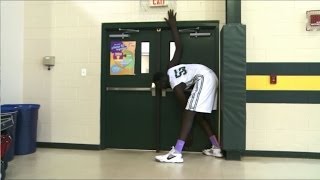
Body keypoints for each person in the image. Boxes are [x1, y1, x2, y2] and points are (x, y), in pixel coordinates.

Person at [153, 9, 223, 163]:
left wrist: (188, 134)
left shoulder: (175, 85)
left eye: (159, 86)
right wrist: (173, 26)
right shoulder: (171, 67)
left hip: (204, 78)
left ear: (160, 81)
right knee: (200, 116)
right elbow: (179, 46)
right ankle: (216, 147)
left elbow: (186, 111)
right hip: (210, 76)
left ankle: (176, 152)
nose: (161, 88)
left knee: (190, 113)